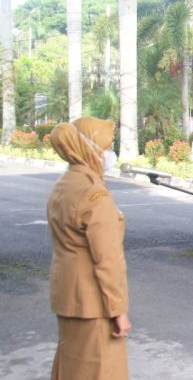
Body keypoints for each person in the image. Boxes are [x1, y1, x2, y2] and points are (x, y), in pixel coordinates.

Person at [48, 117, 131, 379]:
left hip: (68, 296)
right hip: (95, 304)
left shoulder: (64, 185)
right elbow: (107, 260)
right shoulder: (94, 194)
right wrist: (118, 311)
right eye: (105, 147)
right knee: (100, 372)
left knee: (72, 368)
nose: (108, 154)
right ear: (89, 148)